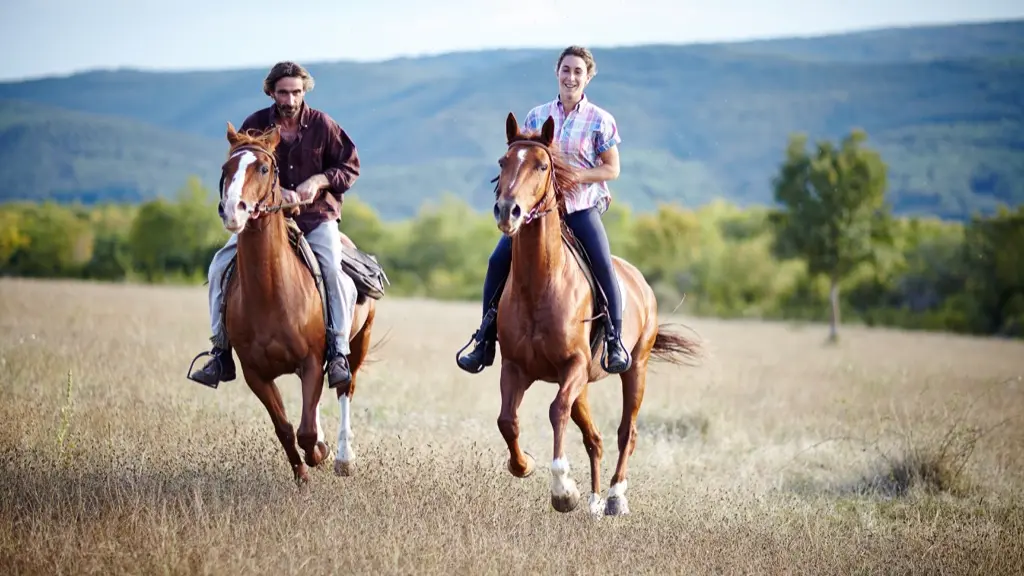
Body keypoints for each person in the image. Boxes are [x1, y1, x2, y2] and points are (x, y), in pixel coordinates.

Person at [456, 45, 631, 375]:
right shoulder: (536, 116)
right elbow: (522, 163)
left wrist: (578, 176)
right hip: (537, 213)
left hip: (579, 208)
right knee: (497, 261)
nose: (571, 77)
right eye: (566, 70)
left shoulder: (600, 120)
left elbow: (612, 170)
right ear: (557, 72)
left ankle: (614, 339)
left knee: (602, 264)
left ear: (588, 77)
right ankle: (484, 340)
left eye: (578, 71)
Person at [188, 61, 361, 390]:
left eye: (297, 92)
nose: (291, 99)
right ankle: (220, 351)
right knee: (219, 266)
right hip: (266, 218)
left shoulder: (323, 125)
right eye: (284, 92)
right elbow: (243, 170)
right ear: (271, 91)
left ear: (304, 91)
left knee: (334, 272)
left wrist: (319, 181)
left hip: (316, 216)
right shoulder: (254, 125)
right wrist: (272, 191)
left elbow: (350, 167)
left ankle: (338, 350)